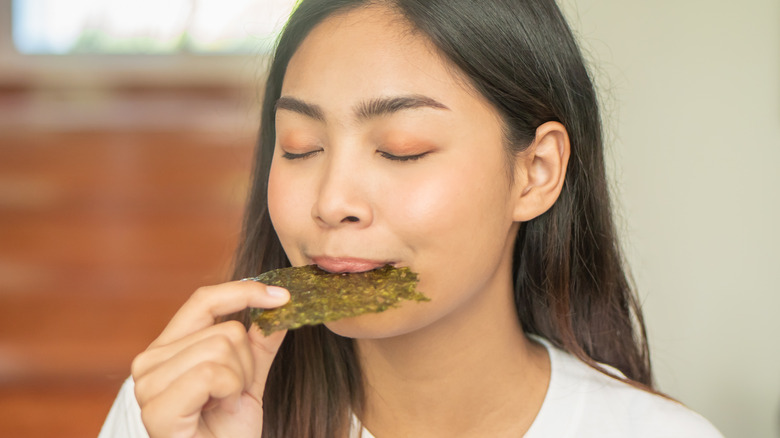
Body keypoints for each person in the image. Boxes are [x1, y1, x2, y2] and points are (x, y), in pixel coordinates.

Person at [100, 0, 723, 437]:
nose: (330, 201)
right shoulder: (177, 416)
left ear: (534, 173)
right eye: (299, 147)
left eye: (403, 149)